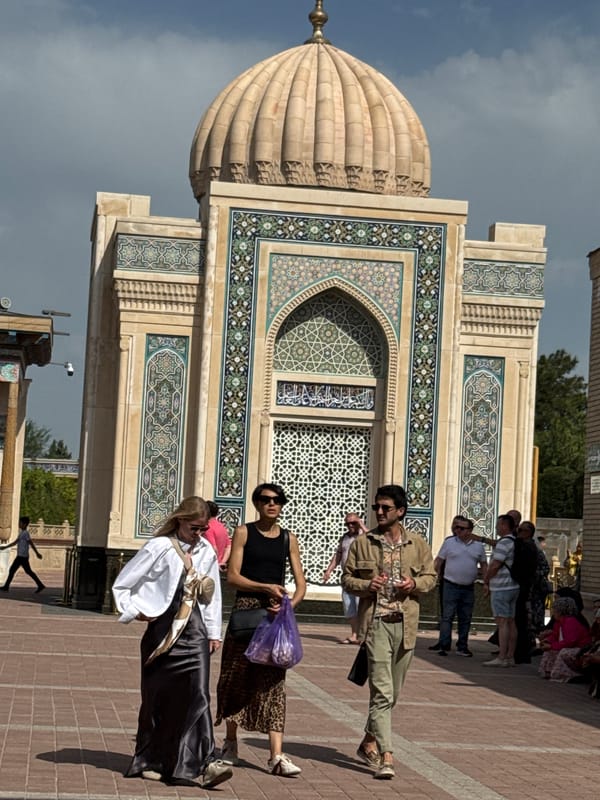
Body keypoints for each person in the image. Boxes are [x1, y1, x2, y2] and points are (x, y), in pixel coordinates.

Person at [112, 496, 232, 789]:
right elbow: (123, 583)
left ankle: (206, 762)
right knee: (158, 698)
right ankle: (153, 760)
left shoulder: (206, 550)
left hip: (195, 630)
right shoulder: (159, 547)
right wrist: (135, 611)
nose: (198, 534)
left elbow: (213, 596)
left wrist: (214, 632)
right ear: (180, 520)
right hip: (163, 631)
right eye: (194, 528)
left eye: (203, 529)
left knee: (199, 694)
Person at [342, 484, 436, 780]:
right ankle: (387, 756)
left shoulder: (417, 544)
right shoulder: (363, 543)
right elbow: (347, 579)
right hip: (376, 624)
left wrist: (414, 584)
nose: (380, 512)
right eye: (376, 507)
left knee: (392, 694)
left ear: (401, 511)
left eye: (386, 508)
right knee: (381, 692)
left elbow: (431, 577)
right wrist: (366, 585)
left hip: (406, 625)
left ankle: (368, 741)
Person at [216, 483, 306, 777]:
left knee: (274, 681)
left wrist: (288, 605)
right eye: (266, 499)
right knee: (236, 676)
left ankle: (276, 756)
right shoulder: (244, 532)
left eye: (277, 500)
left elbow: (301, 583)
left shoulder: (288, 539)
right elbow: (233, 577)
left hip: (273, 615)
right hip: (246, 613)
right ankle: (230, 744)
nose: (272, 504)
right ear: (256, 503)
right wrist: (265, 587)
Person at [428, 516, 487, 657]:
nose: (457, 530)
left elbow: (484, 565)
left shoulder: (478, 546)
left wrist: (486, 582)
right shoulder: (449, 543)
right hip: (450, 584)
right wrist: (432, 576)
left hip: (468, 587)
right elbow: (439, 561)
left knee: (465, 617)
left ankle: (462, 646)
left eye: (461, 528)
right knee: (447, 616)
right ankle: (444, 644)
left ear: (469, 530)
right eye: (456, 527)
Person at [322, 513, 367, 644]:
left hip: (360, 577)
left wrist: (362, 525)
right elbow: (338, 555)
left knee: (360, 606)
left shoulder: (364, 536)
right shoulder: (345, 538)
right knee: (349, 606)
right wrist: (329, 571)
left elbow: (373, 538)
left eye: (353, 523)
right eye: (348, 523)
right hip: (347, 576)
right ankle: (354, 634)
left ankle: (362, 635)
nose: (350, 526)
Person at [482, 514, 520, 667]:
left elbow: (495, 564)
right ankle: (510, 656)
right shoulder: (515, 541)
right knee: (511, 621)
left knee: (502, 622)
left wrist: (486, 580)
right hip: (514, 586)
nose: (496, 528)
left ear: (505, 525)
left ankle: (502, 657)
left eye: (498, 525)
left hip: (502, 587)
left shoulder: (504, 543)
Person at [539, 596, 592, 682]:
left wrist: (551, 646)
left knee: (564, 652)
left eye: (554, 610)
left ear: (560, 611)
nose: (553, 612)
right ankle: (548, 671)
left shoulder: (570, 621)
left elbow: (570, 641)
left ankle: (566, 674)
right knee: (550, 651)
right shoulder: (559, 622)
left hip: (580, 648)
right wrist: (548, 640)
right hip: (570, 646)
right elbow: (555, 635)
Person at [512, 520, 539, 664]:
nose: (518, 533)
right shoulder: (523, 545)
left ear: (528, 533)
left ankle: (520, 652)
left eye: (521, 530)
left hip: (523, 588)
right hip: (522, 587)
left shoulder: (527, 547)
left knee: (520, 620)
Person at [0, 516, 45, 593]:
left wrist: (37, 553)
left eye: (20, 523)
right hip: (21, 556)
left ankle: (6, 587)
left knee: (15, 570)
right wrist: (5, 547)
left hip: (23, 556)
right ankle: (40, 585)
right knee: (24, 571)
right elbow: (15, 542)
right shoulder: (22, 533)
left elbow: (31, 543)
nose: (19, 524)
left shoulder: (25, 533)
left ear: (24, 524)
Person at [205, 501, 231, 569]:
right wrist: (222, 562)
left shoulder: (207, 528)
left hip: (209, 567)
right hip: (218, 566)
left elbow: (213, 549)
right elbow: (228, 546)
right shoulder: (221, 526)